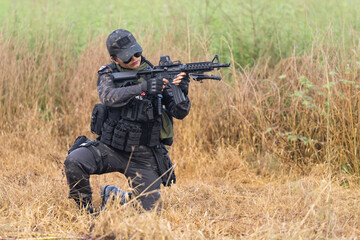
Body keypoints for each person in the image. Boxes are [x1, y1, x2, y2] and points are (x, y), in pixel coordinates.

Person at [64, 29, 191, 213]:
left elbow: (180, 112)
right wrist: (143, 87)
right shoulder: (108, 73)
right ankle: (86, 211)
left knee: (150, 213)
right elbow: (109, 97)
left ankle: (117, 196)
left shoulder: (157, 74)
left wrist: (182, 92)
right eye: (127, 57)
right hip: (110, 148)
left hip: (142, 155)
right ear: (115, 59)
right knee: (74, 161)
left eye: (137, 53)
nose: (135, 59)